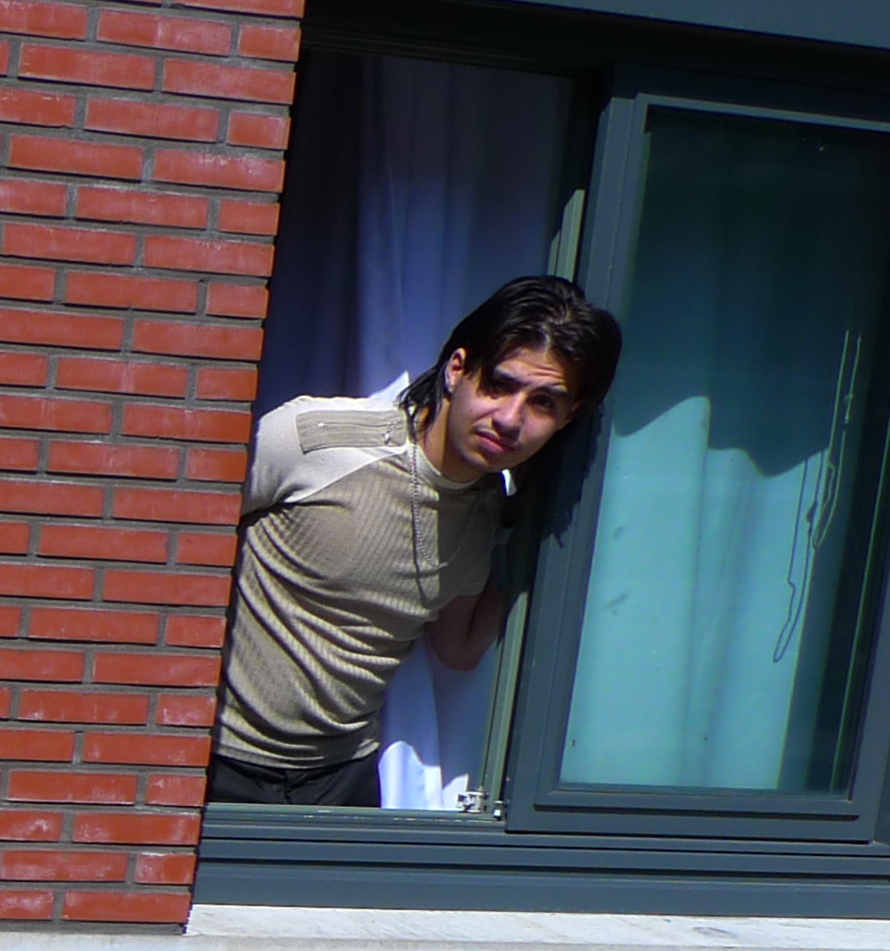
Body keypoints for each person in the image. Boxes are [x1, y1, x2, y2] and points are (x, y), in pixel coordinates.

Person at [211, 276, 622, 805]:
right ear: (457, 370)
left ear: (569, 418)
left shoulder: (484, 513)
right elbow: (170, 534)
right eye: (499, 385)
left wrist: (550, 542)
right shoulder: (315, 440)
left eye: (543, 403)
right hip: (214, 757)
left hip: (341, 775)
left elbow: (458, 648)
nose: (510, 418)